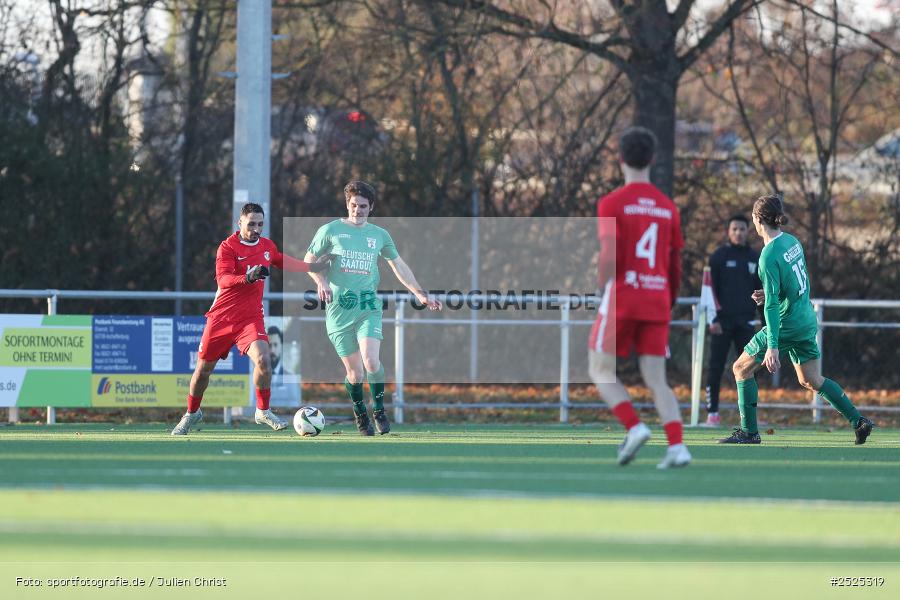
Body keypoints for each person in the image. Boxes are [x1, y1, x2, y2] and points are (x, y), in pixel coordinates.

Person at [719, 194, 874, 444]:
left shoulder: (768, 256)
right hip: (806, 319)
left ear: (758, 220)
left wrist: (772, 345)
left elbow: (771, 306)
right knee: (811, 380)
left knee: (740, 368)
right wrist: (771, 292)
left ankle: (749, 432)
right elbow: (793, 283)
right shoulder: (792, 241)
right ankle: (859, 421)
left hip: (787, 324)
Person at [171, 203, 328, 435]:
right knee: (203, 371)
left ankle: (262, 410)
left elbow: (281, 259)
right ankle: (192, 413)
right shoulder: (227, 247)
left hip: (250, 318)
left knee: (264, 361)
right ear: (240, 223)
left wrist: (312, 266)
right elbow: (223, 280)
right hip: (222, 318)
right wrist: (248, 276)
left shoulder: (266, 246)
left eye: (260, 224)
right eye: (251, 224)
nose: (256, 229)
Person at [588, 126, 691, 469]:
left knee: (600, 368)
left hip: (624, 295)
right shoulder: (667, 207)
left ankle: (634, 427)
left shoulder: (612, 202)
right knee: (656, 378)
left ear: (619, 159)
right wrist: (670, 298)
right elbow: (675, 262)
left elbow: (610, 254)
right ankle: (677, 447)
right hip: (657, 298)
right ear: (654, 159)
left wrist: (602, 282)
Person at [304, 181, 442, 436]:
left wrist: (419, 293)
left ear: (371, 207)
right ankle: (360, 414)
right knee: (355, 374)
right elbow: (308, 261)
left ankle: (378, 409)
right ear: (347, 205)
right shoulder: (330, 230)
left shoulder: (379, 235)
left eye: (363, 206)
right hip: (339, 310)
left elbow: (398, 265)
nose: (358, 210)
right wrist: (321, 281)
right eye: (354, 205)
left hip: (368, 305)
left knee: (371, 360)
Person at [704, 214, 762, 426]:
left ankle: (750, 416)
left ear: (748, 231)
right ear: (729, 232)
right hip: (722, 323)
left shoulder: (755, 257)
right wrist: (714, 319)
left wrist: (763, 321)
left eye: (742, 229)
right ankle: (712, 413)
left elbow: (761, 291)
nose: (738, 232)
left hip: (745, 322)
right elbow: (710, 291)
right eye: (734, 229)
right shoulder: (718, 256)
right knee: (715, 367)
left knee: (749, 368)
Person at [267, 325, 301, 407]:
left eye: (275, 345)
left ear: (281, 346)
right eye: (269, 345)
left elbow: (294, 404)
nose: (272, 350)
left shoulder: (290, 377)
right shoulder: (258, 375)